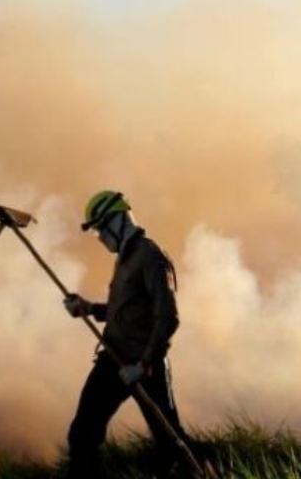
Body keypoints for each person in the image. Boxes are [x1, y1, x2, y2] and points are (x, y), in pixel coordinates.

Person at [62, 190, 194, 478]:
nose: (99, 237)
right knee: (83, 432)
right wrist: (88, 308)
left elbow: (167, 318)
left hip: (145, 367)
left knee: (170, 439)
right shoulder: (125, 257)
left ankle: (201, 470)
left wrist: (143, 365)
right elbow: (127, 309)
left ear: (117, 219)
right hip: (113, 359)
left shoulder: (151, 257)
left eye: (100, 228)